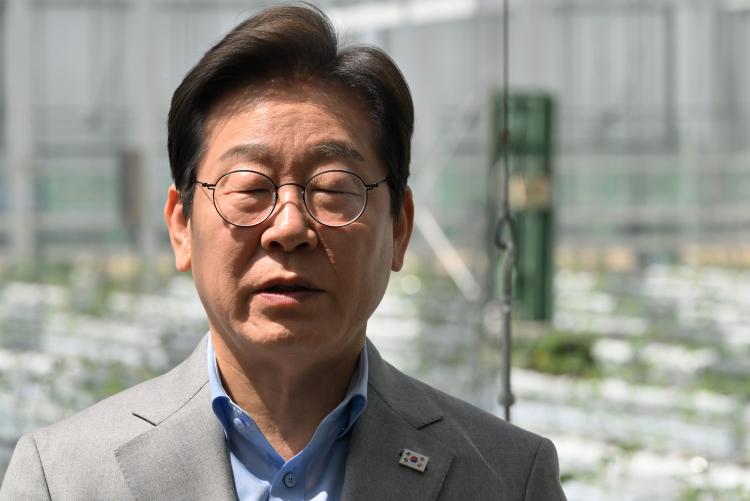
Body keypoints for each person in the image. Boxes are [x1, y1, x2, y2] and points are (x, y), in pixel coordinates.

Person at [0, 3, 566, 500]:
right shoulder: (64, 478)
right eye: (250, 188)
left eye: (334, 188)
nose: (290, 227)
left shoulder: (507, 477)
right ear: (181, 226)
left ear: (399, 228)